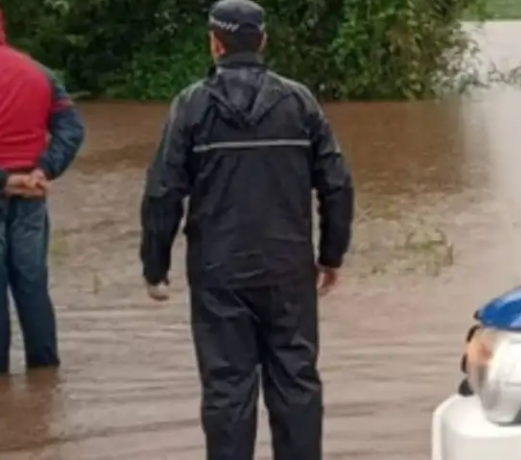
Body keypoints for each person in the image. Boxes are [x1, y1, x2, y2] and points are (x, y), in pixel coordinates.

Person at [138, 1, 354, 459]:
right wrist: (331, 255)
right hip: (288, 270)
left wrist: (155, 267)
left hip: (219, 274)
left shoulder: (191, 106)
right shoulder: (299, 102)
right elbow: (336, 183)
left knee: (227, 388)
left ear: (215, 44)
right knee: (296, 381)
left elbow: (162, 191)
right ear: (263, 41)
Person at [0, 7, 86, 375]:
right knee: (32, 283)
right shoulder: (39, 73)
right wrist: (44, 169)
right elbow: (72, 128)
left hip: (10, 183)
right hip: (31, 192)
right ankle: (45, 378)